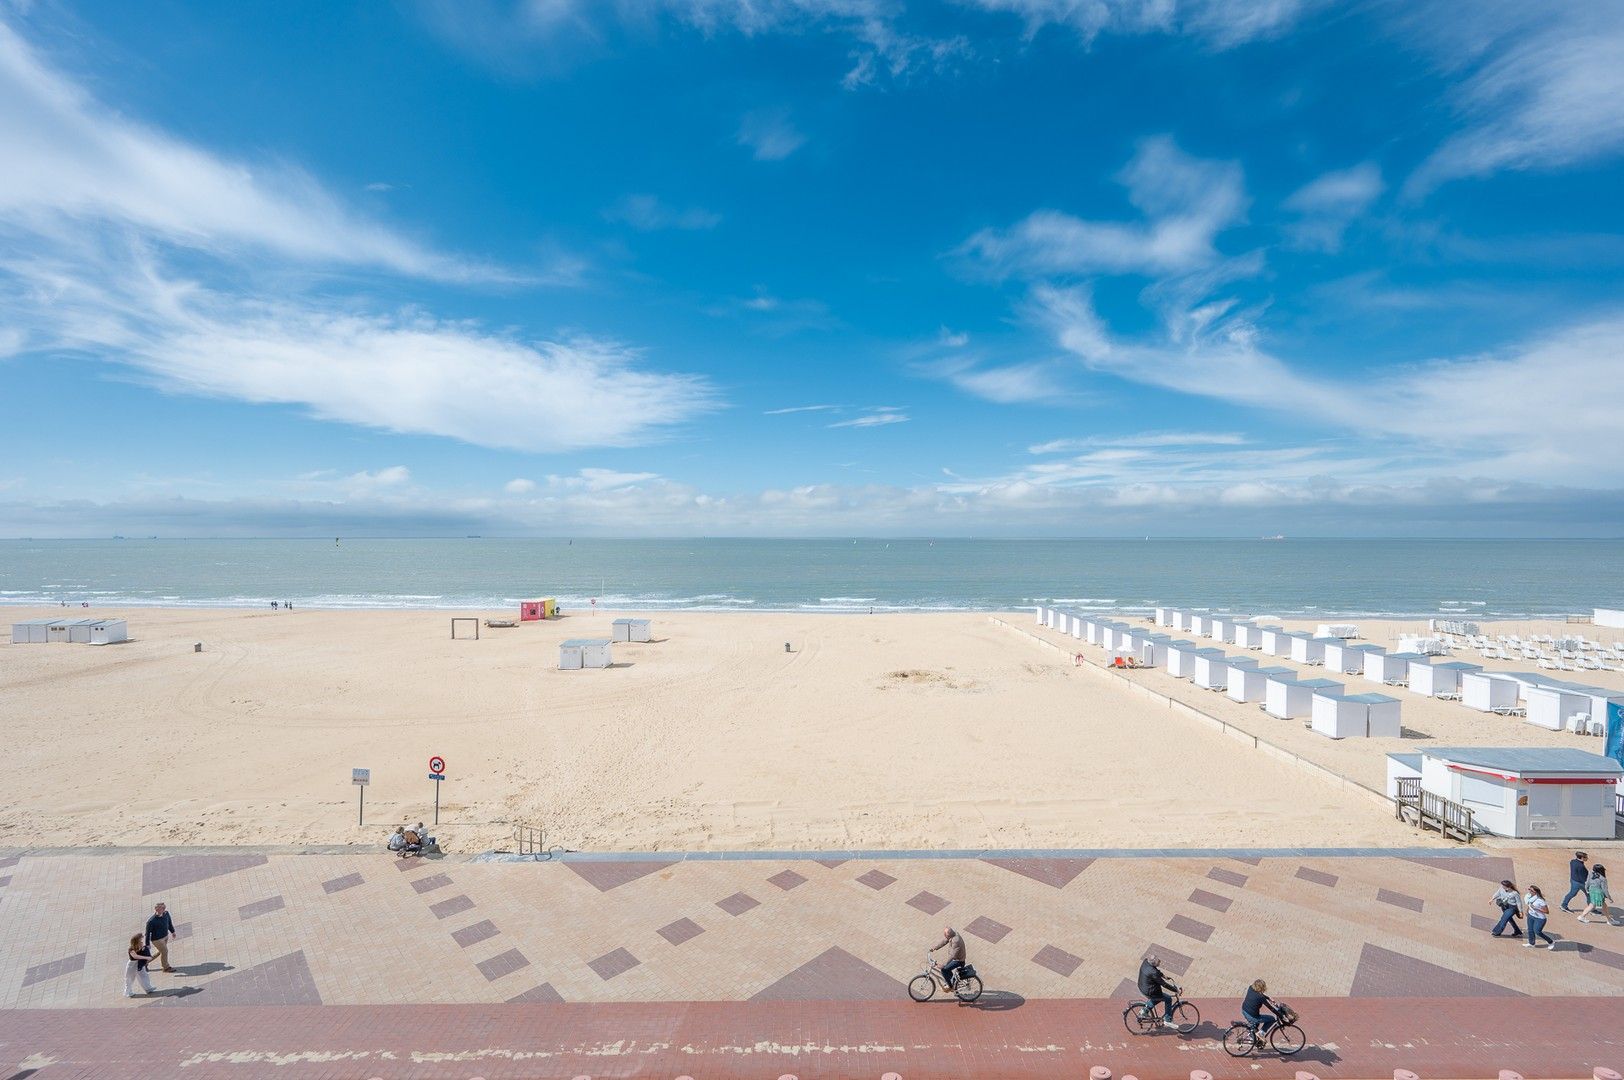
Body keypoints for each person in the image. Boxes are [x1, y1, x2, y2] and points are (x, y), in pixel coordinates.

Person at [1138, 954, 1180, 1028]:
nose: (1159, 963)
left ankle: (1144, 1010)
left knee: (1158, 998)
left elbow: (1155, 970)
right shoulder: (1153, 973)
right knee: (1168, 999)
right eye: (1158, 962)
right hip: (1149, 990)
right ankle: (1167, 1020)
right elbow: (1164, 984)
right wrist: (1175, 990)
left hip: (1142, 985)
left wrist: (1163, 975)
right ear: (1153, 963)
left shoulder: (1146, 961)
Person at [146, 902, 178, 972]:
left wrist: (173, 932)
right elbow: (147, 933)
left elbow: (169, 923)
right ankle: (166, 967)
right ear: (156, 909)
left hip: (165, 937)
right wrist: (147, 944)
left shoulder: (166, 914)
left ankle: (145, 962)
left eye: (164, 907)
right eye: (162, 908)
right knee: (165, 951)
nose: (164, 909)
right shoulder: (151, 921)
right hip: (157, 940)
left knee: (160, 952)